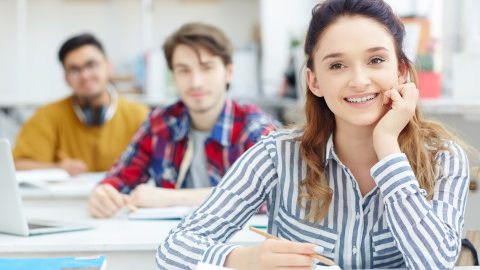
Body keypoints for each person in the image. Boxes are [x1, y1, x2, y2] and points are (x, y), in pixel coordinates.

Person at [156, 0, 470, 269]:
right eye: (337, 66)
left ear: (400, 71)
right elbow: (173, 249)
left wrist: (387, 145)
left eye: (376, 60)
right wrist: (242, 258)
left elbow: (436, 263)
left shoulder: (442, 158)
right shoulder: (277, 155)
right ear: (314, 81)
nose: (359, 80)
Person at [87, 23, 277, 218]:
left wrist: (171, 197)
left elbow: (273, 198)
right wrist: (103, 195)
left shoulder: (255, 127)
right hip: (172, 244)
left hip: (241, 244)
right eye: (184, 70)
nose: (196, 82)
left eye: (207, 68)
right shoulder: (160, 123)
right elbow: (118, 180)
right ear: (174, 76)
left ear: (228, 72)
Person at [13, 33, 149, 175]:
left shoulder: (140, 115)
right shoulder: (47, 115)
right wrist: (58, 167)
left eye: (91, 65)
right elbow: (17, 165)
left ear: (108, 66)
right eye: (74, 69)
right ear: (66, 78)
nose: (84, 75)